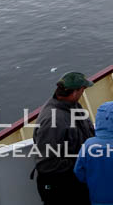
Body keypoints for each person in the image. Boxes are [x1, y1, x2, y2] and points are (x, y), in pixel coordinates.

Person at [33, 71, 96, 204]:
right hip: (61, 188)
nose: (83, 93)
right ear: (74, 92)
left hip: (76, 181)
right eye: (82, 90)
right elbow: (46, 164)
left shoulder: (73, 106)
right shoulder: (52, 120)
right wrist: (81, 163)